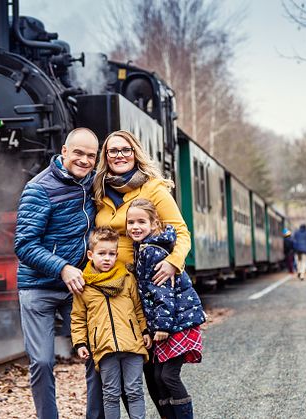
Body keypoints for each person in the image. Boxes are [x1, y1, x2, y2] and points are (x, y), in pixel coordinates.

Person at [93, 130, 190, 418]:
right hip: (115, 291)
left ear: (135, 153)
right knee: (134, 369)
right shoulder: (99, 192)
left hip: (150, 288)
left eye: (125, 150)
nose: (119, 155)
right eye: (112, 151)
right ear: (105, 157)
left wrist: (174, 262)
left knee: (161, 372)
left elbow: (181, 232)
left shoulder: (153, 189)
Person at [13, 128, 99, 419]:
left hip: (78, 286)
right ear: (64, 151)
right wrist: (62, 268)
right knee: (41, 361)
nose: (84, 160)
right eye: (78, 153)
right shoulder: (39, 189)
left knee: (98, 354)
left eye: (91, 155)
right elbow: (24, 245)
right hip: (39, 286)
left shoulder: (93, 184)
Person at [128, 198, 205, 419]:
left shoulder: (152, 251)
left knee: (168, 376)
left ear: (154, 224)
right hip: (171, 322)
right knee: (160, 376)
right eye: (130, 222)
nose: (135, 227)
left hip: (176, 324)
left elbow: (163, 292)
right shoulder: (143, 247)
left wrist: (160, 327)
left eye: (141, 221)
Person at [71, 227, 151, 419]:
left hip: (132, 345)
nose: (107, 258)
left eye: (111, 254)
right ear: (91, 255)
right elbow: (78, 317)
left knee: (134, 390)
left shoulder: (126, 278)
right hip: (104, 348)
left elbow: (138, 307)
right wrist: (80, 342)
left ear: (117, 255)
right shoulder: (84, 286)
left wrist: (145, 330)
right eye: (101, 254)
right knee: (110, 393)